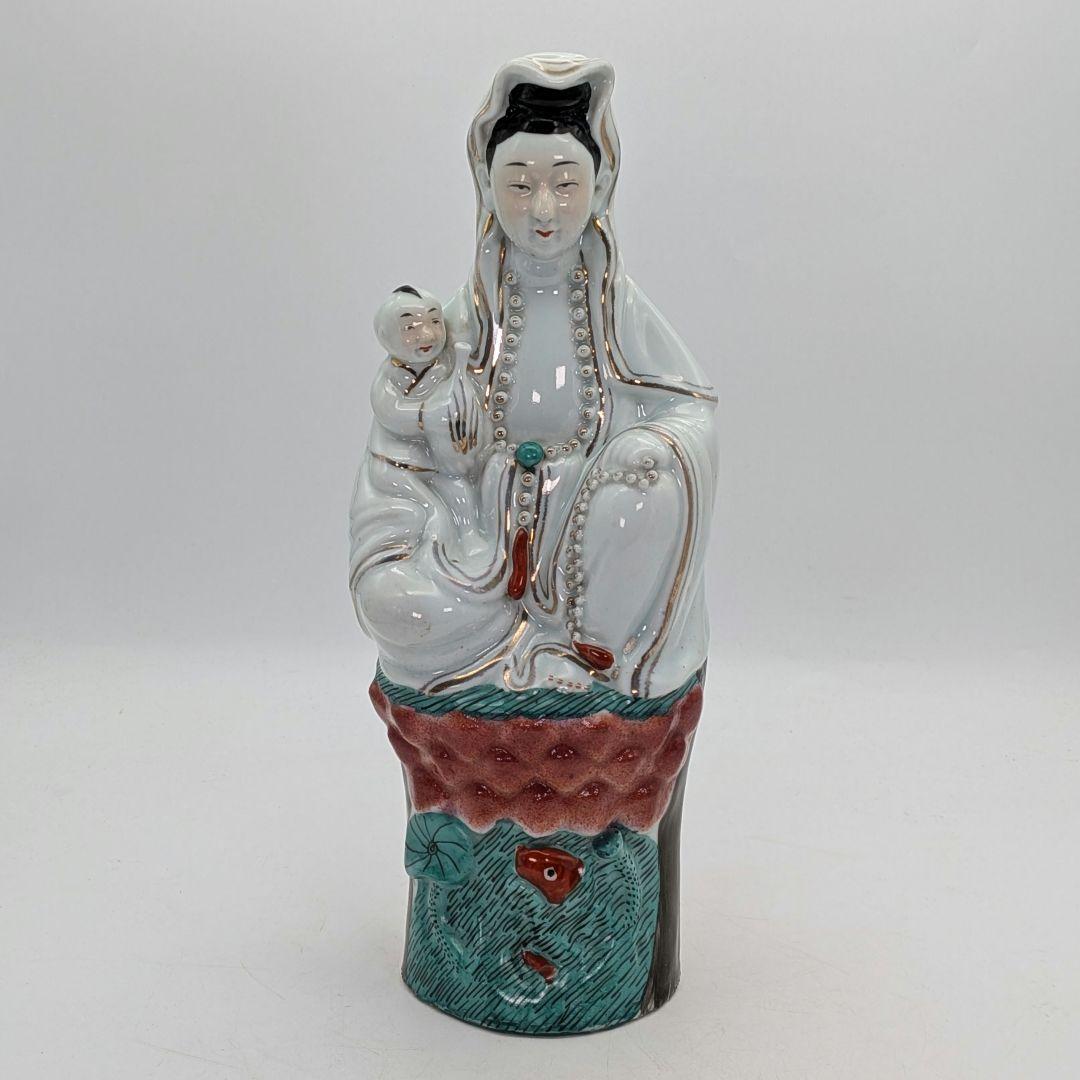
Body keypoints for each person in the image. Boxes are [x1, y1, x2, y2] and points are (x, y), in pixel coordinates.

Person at [351, 54, 717, 699]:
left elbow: (689, 410)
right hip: (477, 541)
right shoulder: (456, 327)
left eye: (565, 184)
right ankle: (500, 644)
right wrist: (433, 454)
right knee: (392, 605)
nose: (543, 208)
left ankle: (587, 648)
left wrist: (651, 443)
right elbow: (398, 457)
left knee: (651, 490)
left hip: (586, 533)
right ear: (486, 184)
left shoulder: (619, 311)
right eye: (520, 186)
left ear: (600, 186)